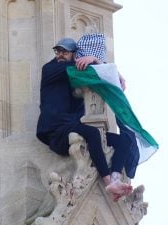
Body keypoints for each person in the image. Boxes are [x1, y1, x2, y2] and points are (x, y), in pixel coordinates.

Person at [36, 37, 138, 201]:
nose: (60, 55)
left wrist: (104, 67)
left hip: (71, 126)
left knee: (123, 141)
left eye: (65, 52)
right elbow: (90, 70)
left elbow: (96, 73)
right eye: (58, 51)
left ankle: (116, 178)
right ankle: (107, 182)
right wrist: (96, 60)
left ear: (74, 54)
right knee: (93, 133)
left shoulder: (72, 75)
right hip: (56, 132)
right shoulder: (50, 69)